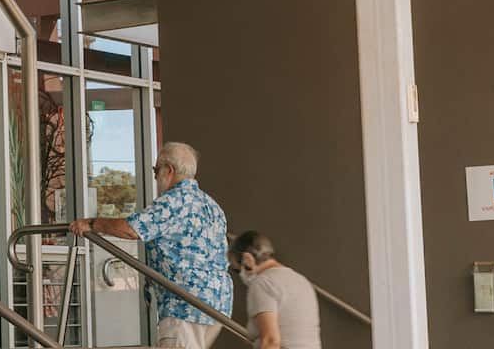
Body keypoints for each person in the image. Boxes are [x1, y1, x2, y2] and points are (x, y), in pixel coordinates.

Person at [71, 142, 231, 349]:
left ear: (169, 170)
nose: (155, 177)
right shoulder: (211, 205)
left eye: (156, 170)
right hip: (217, 304)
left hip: (184, 305)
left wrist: (91, 224)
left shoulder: (175, 200)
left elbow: (132, 229)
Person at [231, 231, 320, 349]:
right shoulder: (302, 281)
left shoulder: (262, 283)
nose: (239, 274)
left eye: (236, 270)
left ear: (247, 259)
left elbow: (271, 341)